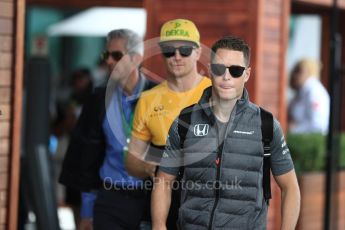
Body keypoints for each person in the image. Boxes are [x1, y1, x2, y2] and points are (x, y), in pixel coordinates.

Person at [152, 36, 301, 230]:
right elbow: (163, 180)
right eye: (219, 68)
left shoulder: (266, 125)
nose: (226, 76)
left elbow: (290, 187)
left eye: (236, 70)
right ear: (210, 70)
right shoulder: (185, 121)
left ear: (247, 74)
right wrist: (158, 225)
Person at [59, 29, 155, 230]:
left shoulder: (157, 95)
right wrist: (86, 212)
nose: (109, 61)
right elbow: (88, 157)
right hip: (109, 199)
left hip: (148, 201)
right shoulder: (98, 99)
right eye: (106, 55)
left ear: (136, 58)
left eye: (116, 55)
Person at [125, 18, 211, 229]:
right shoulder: (148, 99)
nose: (177, 57)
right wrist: (149, 167)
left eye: (185, 50)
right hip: (157, 211)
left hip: (207, 211)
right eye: (168, 51)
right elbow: (131, 162)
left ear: (198, 52)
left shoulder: (216, 94)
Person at [288, 58, 330, 134]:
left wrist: (293, 129)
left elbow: (318, 125)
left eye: (299, 71)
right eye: (294, 71)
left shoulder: (315, 92)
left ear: (309, 73)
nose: (294, 75)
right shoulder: (301, 92)